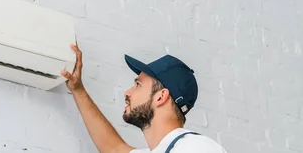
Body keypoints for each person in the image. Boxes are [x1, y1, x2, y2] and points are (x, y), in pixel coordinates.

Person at [61, 44, 227, 153]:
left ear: (161, 96)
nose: (127, 92)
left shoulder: (195, 148)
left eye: (138, 85)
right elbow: (112, 148)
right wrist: (78, 89)